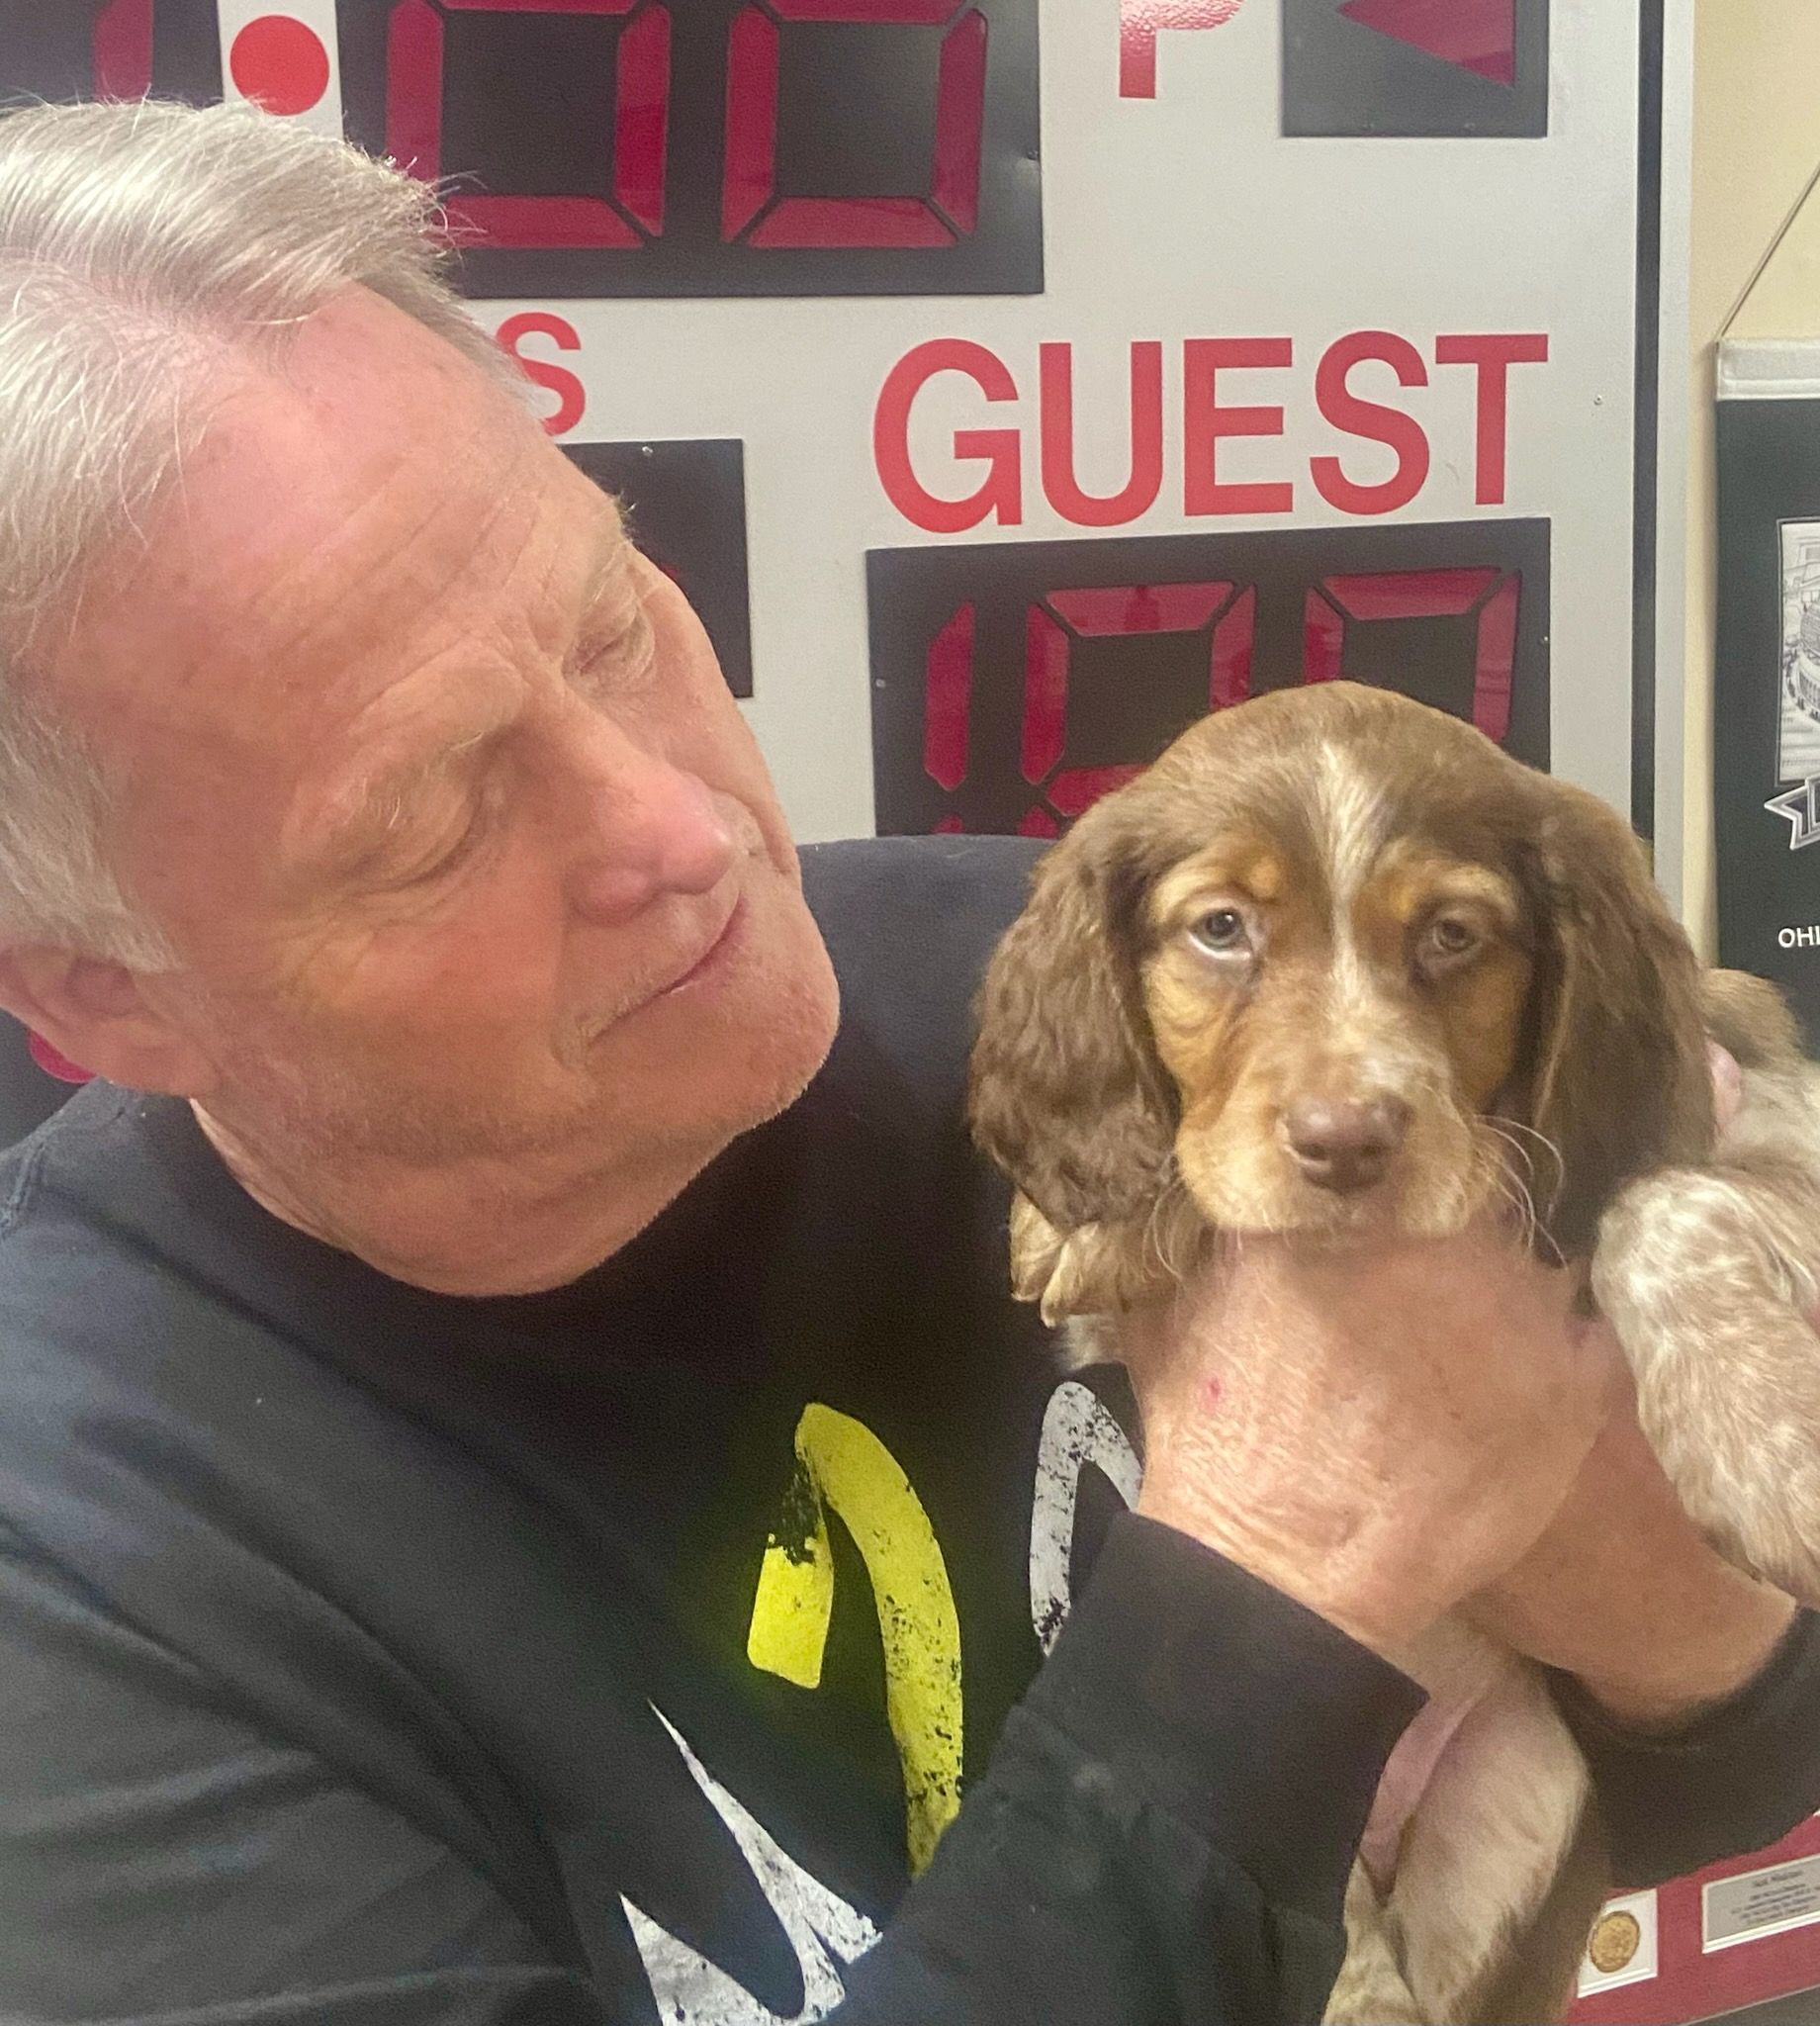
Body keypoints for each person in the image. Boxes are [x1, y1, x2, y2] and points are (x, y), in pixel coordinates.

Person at [0, 97, 1808, 2026]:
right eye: (432, 816)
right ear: (110, 996)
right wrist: (1281, 1570)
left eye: (614, 616)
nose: (679, 829)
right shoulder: (79, 1590)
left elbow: (1735, 1757)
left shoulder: (1042, 987)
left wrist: (1608, 1515)